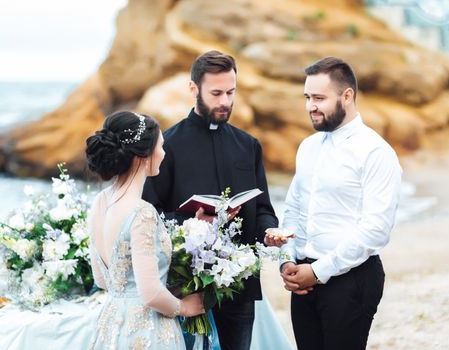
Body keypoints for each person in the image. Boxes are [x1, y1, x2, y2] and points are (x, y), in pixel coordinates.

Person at [143, 50, 285, 350]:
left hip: (240, 287)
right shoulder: (167, 146)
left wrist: (270, 232)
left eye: (231, 92)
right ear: (194, 89)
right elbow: (148, 216)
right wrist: (189, 222)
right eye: (216, 93)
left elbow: (262, 210)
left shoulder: (249, 146)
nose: (224, 101)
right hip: (186, 287)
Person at [270, 57, 402, 350]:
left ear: (347, 95)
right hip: (303, 279)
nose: (310, 106)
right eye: (307, 97)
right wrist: (287, 260)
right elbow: (294, 208)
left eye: (319, 98)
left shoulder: (375, 152)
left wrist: (318, 272)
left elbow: (376, 229)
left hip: (351, 280)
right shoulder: (307, 147)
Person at [85, 111, 205, 349]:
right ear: (143, 156)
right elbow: (149, 294)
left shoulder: (100, 202)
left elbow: (101, 278)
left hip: (111, 324)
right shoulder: (143, 213)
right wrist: (184, 307)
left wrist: (171, 288)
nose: (163, 153)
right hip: (147, 330)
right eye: (161, 146)